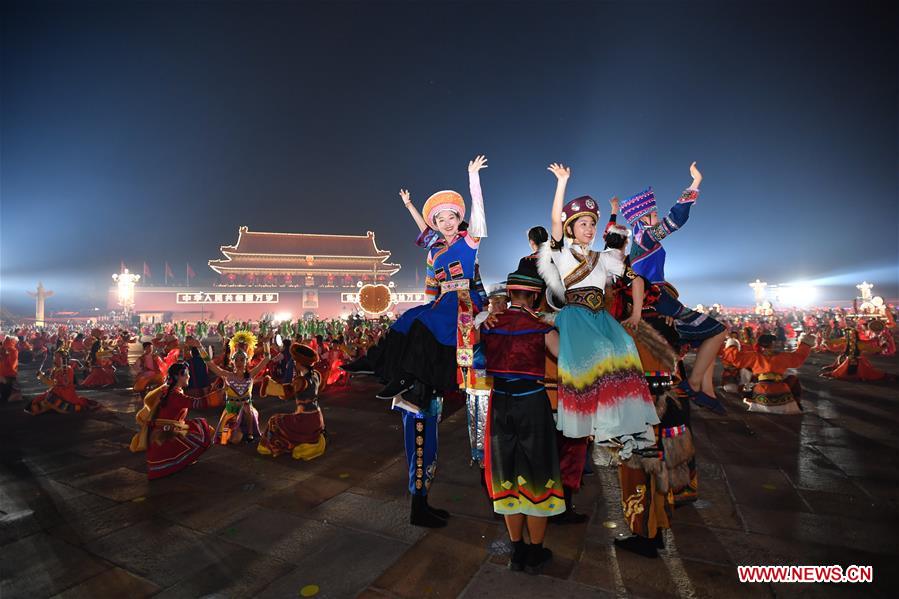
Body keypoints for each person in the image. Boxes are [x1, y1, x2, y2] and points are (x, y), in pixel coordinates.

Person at [538, 163, 658, 456]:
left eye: (592, 224)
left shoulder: (603, 258)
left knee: (627, 348)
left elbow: (636, 279)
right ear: (571, 228)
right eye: (583, 224)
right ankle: (603, 429)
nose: (589, 229)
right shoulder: (562, 254)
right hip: (576, 317)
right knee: (603, 352)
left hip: (601, 317)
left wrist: (637, 313)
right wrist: (562, 182)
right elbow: (554, 221)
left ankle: (629, 427)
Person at [619, 163, 727, 414]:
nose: (656, 218)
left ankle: (707, 391)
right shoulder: (645, 237)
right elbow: (676, 219)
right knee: (718, 331)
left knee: (707, 335)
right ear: (642, 218)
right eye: (653, 214)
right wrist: (695, 183)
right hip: (658, 300)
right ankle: (694, 383)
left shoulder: (637, 244)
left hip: (656, 297)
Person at [482, 264, 565, 574]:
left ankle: (516, 551)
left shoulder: (489, 324)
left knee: (507, 473)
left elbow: (474, 358)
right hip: (532, 405)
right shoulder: (542, 328)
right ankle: (534, 552)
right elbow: (567, 358)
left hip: (500, 405)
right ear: (534, 296)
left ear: (510, 293)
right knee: (538, 474)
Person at [129, 362, 214, 480]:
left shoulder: (166, 389)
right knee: (204, 430)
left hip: (163, 430)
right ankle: (181, 460)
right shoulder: (174, 395)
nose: (189, 377)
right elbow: (198, 403)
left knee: (195, 426)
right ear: (179, 376)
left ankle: (182, 458)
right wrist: (217, 395)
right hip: (165, 435)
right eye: (187, 374)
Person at [257, 343, 327, 460]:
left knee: (274, 420)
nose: (294, 363)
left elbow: (286, 391)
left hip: (305, 420)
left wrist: (267, 385)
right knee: (285, 419)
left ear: (299, 363)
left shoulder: (301, 381)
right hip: (317, 419)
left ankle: (270, 447)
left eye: (295, 361)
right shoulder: (316, 375)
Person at [206, 332, 271, 444]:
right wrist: (199, 347)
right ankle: (237, 431)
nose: (239, 362)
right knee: (231, 440)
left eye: (242, 360)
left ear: (246, 362)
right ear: (233, 361)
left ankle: (250, 433)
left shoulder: (251, 374)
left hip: (247, 413)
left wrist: (265, 343)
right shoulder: (227, 375)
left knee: (246, 407)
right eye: (236, 360)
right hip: (231, 412)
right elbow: (209, 364)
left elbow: (267, 358)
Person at [25, 347, 94, 415]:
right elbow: (51, 383)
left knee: (50, 400)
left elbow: (66, 384)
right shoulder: (55, 369)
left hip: (65, 392)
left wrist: (43, 377)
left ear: (64, 358)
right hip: (55, 390)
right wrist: (41, 376)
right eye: (55, 356)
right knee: (36, 401)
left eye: (58, 357)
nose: (55, 358)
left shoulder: (68, 369)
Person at [1, 335, 19, 403]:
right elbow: (12, 364)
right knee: (7, 388)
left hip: (2, 372)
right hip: (8, 373)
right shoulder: (13, 350)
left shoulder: (2, 348)